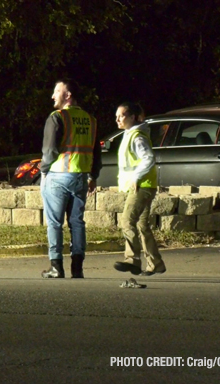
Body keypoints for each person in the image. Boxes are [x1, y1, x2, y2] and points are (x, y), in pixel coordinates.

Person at [39, 79, 101, 278]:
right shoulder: (90, 119)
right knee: (77, 222)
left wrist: (43, 170)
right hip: (81, 177)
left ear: (68, 95)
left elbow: (50, 149)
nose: (52, 96)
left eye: (57, 91)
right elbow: (96, 151)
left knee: (55, 223)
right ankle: (77, 268)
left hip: (57, 176)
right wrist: (93, 175)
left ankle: (56, 266)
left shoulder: (58, 117)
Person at [113, 102, 166, 276]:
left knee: (127, 220)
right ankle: (155, 263)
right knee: (143, 225)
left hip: (141, 187)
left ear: (133, 117)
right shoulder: (131, 134)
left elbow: (148, 158)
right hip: (144, 185)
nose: (118, 119)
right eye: (117, 116)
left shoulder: (137, 136)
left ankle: (132, 259)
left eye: (121, 115)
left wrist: (136, 177)